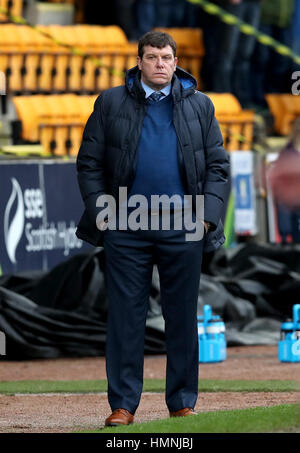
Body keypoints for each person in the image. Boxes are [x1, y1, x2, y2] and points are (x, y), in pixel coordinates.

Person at [76, 31, 230, 426]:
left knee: (180, 317)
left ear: (176, 62)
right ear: (139, 62)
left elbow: (217, 167)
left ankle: (182, 401)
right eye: (152, 57)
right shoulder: (110, 103)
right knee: (126, 317)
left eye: (166, 57)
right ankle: (123, 405)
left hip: (184, 226)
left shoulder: (201, 106)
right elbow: (89, 162)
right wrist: (101, 211)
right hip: (126, 227)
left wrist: (207, 217)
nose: (160, 64)